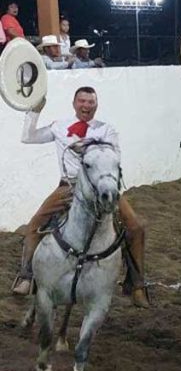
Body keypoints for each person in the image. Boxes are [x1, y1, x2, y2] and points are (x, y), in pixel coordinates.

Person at [11, 87, 151, 307]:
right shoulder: (59, 126)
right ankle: (27, 276)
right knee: (34, 224)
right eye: (82, 101)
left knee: (135, 227)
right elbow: (28, 137)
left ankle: (137, 285)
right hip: (70, 186)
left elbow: (113, 154)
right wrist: (33, 112)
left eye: (91, 102)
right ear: (74, 103)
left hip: (100, 185)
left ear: (97, 105)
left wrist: (83, 146)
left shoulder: (107, 130)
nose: (87, 106)